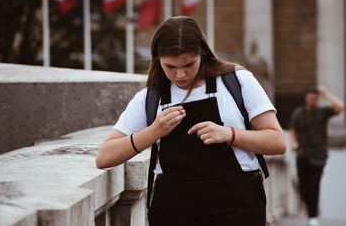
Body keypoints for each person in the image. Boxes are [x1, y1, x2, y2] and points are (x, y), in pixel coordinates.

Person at [96, 16, 286, 226]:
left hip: (237, 204)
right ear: (157, 60)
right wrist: (153, 132)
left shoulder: (237, 81)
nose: (180, 74)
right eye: (170, 66)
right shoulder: (150, 98)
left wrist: (230, 134)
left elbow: (277, 141)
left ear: (202, 53)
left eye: (189, 64)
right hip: (174, 208)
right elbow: (104, 157)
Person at [290, 86, 345, 226]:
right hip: (302, 153)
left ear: (317, 99)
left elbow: (340, 106)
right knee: (303, 186)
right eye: (310, 97)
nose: (312, 100)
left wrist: (325, 93)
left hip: (319, 154)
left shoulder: (323, 112)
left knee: (314, 185)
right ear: (306, 98)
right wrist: (293, 143)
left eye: (314, 97)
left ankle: (312, 215)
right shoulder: (299, 113)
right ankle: (311, 209)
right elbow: (292, 130)